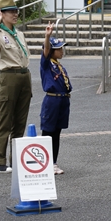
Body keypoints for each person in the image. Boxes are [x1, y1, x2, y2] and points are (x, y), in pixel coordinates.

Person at [0, 0, 32, 174]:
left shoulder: (18, 34)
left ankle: (17, 160)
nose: (15, 14)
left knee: (20, 122)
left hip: (23, 76)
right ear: (1, 14)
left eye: (16, 10)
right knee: (5, 121)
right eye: (11, 11)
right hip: (8, 77)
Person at [40, 22, 72, 175]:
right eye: (58, 48)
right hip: (52, 100)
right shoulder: (46, 64)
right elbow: (45, 51)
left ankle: (53, 161)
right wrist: (48, 36)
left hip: (63, 100)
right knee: (48, 132)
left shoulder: (59, 65)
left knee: (57, 132)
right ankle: (45, 162)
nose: (61, 50)